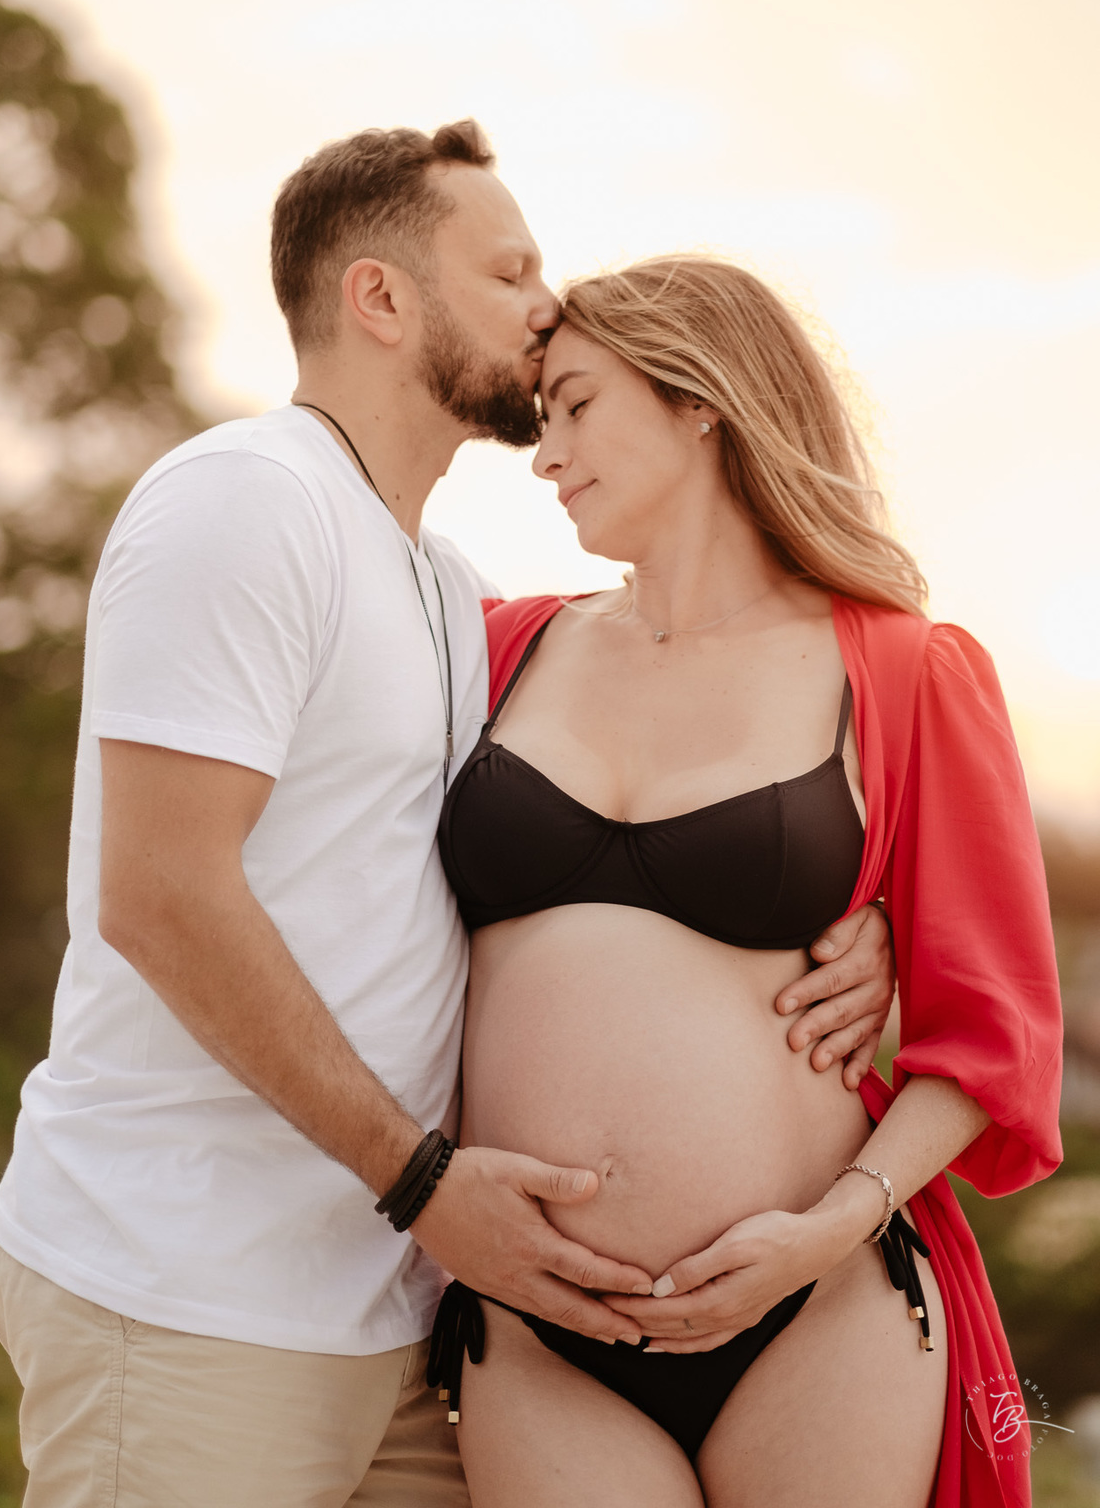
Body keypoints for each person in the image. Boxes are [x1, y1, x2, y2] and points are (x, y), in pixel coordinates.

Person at [0, 126, 897, 1508]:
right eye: (510, 269)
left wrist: (843, 919)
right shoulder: (247, 501)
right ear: (382, 299)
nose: (548, 304)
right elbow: (157, 892)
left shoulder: (448, 589)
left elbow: (558, 855)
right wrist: (421, 1180)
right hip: (188, 1290)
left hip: (393, 1311)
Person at [431, 256, 1063, 1508]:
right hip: (538, 1316)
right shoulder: (493, 648)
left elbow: (992, 1038)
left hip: (819, 1304)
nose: (545, 454)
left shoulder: (903, 670)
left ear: (699, 398)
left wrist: (821, 1235)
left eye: (574, 405)